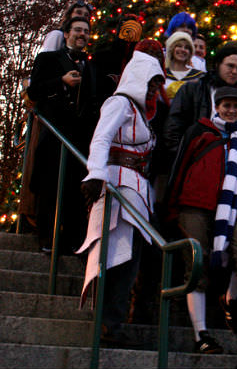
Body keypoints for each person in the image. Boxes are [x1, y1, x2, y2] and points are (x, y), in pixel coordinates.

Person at [75, 43, 165, 347]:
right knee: (117, 258)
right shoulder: (120, 104)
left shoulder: (142, 114)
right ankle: (108, 325)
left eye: (158, 84)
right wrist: (96, 174)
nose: (154, 89)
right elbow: (100, 139)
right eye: (152, 82)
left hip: (137, 194)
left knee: (130, 260)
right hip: (117, 188)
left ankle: (114, 323)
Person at [166, 86, 237, 353]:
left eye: (236, 106)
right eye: (226, 106)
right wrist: (172, 205)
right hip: (195, 205)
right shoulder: (199, 131)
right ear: (216, 107)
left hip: (234, 210)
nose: (231, 111)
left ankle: (229, 298)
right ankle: (201, 334)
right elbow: (181, 166)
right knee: (197, 266)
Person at [27, 15, 97, 252]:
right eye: (78, 30)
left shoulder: (90, 65)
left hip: (79, 139)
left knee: (74, 192)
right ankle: (46, 238)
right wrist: (61, 81)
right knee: (49, 187)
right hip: (55, 135)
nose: (82, 35)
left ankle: (71, 243)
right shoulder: (48, 59)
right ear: (66, 34)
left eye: (86, 31)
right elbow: (34, 91)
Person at [164, 41, 237, 154]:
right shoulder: (193, 90)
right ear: (217, 65)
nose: (234, 72)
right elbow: (173, 128)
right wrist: (185, 158)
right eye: (230, 66)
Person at [163, 32, 204, 99]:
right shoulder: (162, 74)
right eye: (179, 46)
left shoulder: (199, 76)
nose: (183, 50)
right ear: (172, 48)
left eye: (187, 48)